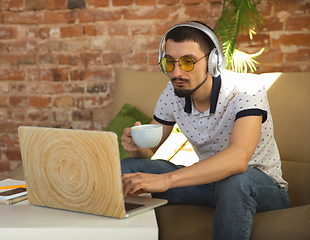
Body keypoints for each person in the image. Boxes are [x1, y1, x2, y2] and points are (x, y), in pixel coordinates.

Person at [120, 21, 289, 240]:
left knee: (235, 181)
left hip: (259, 185)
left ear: (213, 62)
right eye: (169, 62)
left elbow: (238, 159)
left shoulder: (247, 88)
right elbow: (148, 154)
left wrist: (167, 180)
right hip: (208, 183)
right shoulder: (172, 94)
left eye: (187, 62)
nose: (176, 72)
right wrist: (137, 149)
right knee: (129, 168)